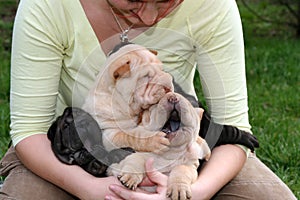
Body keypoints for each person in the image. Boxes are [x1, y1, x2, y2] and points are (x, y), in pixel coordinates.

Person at [0, 0, 296, 199]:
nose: (150, 17)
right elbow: (29, 131)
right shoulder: (49, 5)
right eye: (132, 0)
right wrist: (92, 189)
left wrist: (193, 190)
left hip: (178, 144)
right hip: (64, 153)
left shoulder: (212, 5)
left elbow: (233, 126)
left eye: (169, 0)